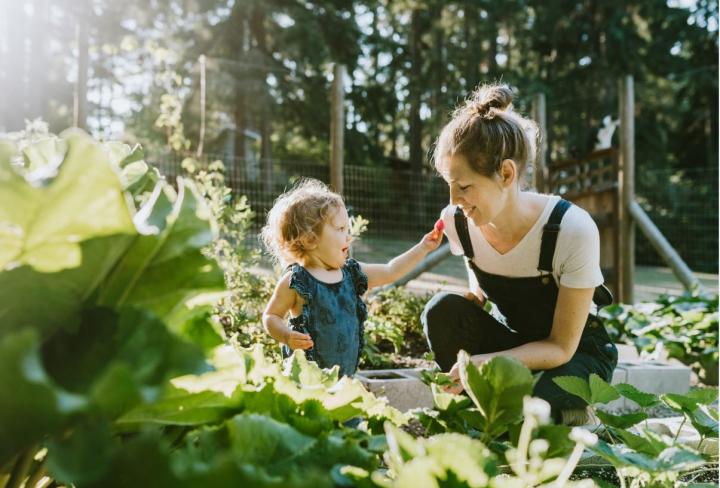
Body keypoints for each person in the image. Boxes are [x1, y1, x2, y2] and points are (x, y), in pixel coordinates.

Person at [422, 83, 618, 424]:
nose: (454, 199)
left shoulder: (571, 228)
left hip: (573, 356)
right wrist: (477, 293)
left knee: (528, 399)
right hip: (515, 341)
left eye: (464, 186)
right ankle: (485, 412)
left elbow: (560, 347)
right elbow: (479, 266)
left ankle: (569, 415)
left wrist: (492, 363)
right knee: (442, 311)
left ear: (507, 173)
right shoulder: (458, 221)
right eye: (449, 184)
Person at [261, 178, 443, 377]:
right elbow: (271, 316)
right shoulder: (296, 281)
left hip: (345, 377)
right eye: (340, 229)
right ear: (311, 239)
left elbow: (391, 271)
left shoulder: (351, 274)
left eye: (347, 229)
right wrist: (286, 336)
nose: (348, 236)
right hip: (307, 379)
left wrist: (423, 247)